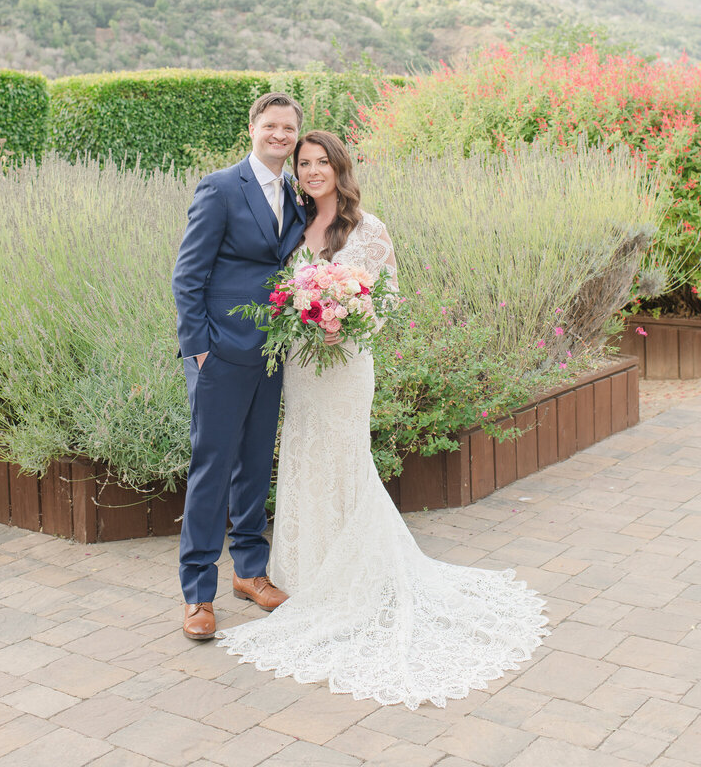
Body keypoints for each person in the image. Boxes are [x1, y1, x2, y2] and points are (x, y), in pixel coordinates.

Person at [217, 130, 548, 709]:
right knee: (301, 451)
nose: (313, 171)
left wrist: (346, 315)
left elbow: (387, 298)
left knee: (344, 456)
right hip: (301, 363)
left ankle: (358, 574)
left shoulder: (369, 229)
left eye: (323, 162)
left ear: (341, 169)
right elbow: (275, 289)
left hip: (344, 365)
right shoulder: (292, 225)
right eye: (305, 163)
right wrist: (299, 312)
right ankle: (305, 567)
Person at [171, 92, 306, 641]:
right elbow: (188, 274)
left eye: (289, 128)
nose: (280, 135)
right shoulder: (222, 187)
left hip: (272, 351)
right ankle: (198, 594)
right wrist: (199, 348)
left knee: (254, 462)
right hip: (221, 354)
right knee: (211, 468)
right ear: (252, 127)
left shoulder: (295, 192)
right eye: (271, 125)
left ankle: (250, 571)